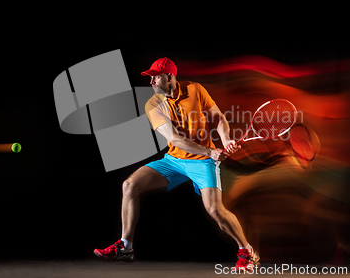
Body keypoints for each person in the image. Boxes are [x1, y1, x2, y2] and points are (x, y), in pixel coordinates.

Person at [94, 57, 259, 270]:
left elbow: (217, 117)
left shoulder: (196, 90)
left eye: (156, 76)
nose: (152, 81)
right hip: (174, 161)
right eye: (150, 77)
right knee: (129, 185)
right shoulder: (153, 104)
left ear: (170, 76)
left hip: (202, 163)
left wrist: (226, 140)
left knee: (216, 210)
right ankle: (125, 247)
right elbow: (175, 140)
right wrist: (212, 150)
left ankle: (247, 251)